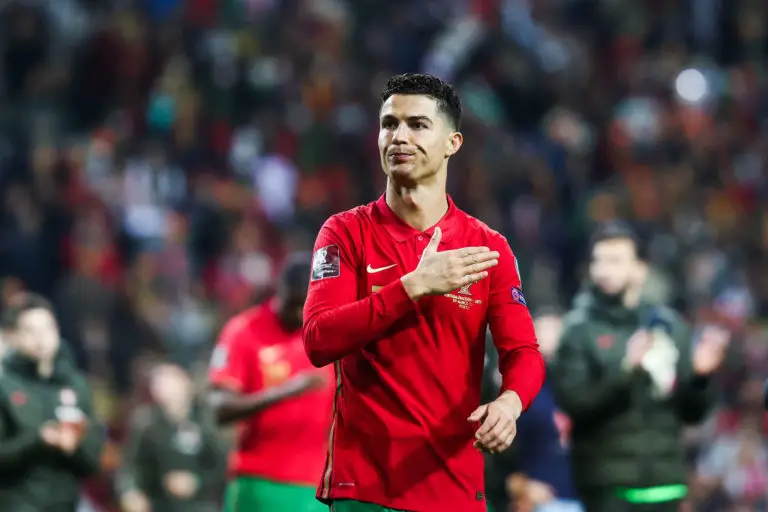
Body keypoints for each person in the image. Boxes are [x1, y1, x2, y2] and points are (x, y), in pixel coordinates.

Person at [303, 73, 546, 512]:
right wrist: (414, 286)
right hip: (366, 489)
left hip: (455, 488)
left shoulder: (486, 247)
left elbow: (523, 352)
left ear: (453, 143)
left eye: (417, 124)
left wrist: (510, 404)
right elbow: (319, 339)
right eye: (388, 124)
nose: (399, 136)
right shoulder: (344, 233)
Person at [549, 222, 728, 512]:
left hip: (665, 484)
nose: (603, 270)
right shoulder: (578, 329)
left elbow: (693, 414)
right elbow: (573, 403)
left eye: (615, 261)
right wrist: (625, 369)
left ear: (640, 269)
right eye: (598, 261)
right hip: (608, 487)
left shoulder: (670, 326)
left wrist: (699, 376)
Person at [208, 253, 334, 512]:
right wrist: (285, 391)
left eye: (305, 306)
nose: (299, 315)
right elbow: (220, 408)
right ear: (279, 291)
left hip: (317, 485)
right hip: (259, 480)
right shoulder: (244, 330)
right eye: (293, 305)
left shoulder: (328, 333)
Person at [0, 292, 103, 511]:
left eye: (47, 329)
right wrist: (39, 440)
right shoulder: (4, 386)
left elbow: (93, 461)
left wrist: (74, 445)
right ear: (13, 336)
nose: (41, 339)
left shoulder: (77, 385)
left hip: (68, 504)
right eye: (30, 331)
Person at [485, 309, 582, 512]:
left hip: (586, 493)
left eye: (556, 329)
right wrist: (519, 485)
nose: (552, 337)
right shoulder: (520, 388)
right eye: (544, 329)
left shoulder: (579, 384)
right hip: (540, 500)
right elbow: (498, 449)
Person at [117, 363, 225, 512]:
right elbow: (130, 466)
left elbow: (222, 465)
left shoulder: (206, 420)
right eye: (161, 384)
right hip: (159, 502)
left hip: (201, 503)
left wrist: (197, 481)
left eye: (173, 382)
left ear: (186, 384)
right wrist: (130, 491)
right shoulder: (145, 423)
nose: (168, 390)